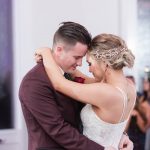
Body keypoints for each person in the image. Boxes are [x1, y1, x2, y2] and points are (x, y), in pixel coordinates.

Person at [19, 22, 133, 150]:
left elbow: (98, 113)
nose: (80, 64)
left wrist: (117, 134)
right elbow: (58, 129)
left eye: (83, 59)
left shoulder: (70, 75)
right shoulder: (34, 82)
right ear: (59, 50)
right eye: (77, 57)